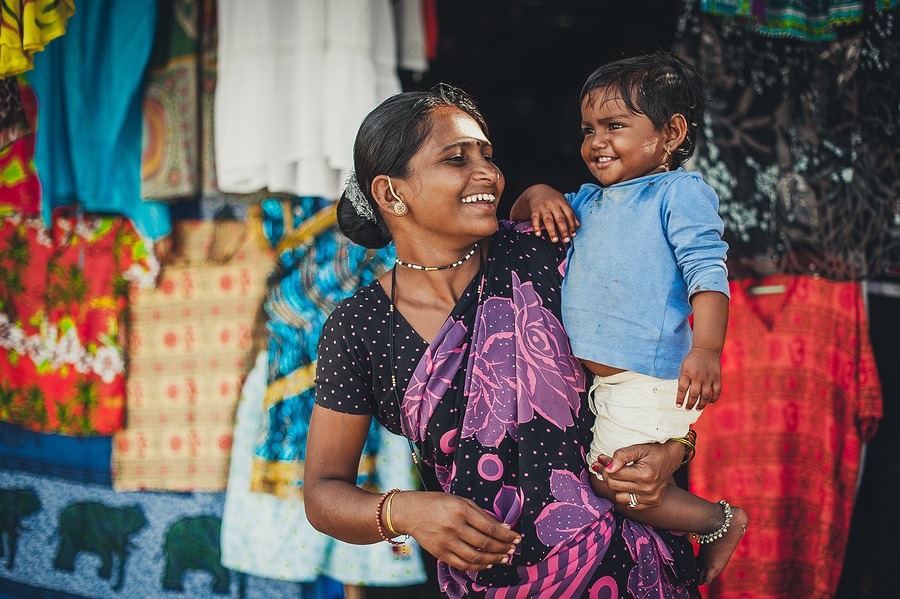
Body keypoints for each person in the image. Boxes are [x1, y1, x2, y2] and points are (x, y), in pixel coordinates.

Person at [304, 83, 703, 598]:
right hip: (489, 585)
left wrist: (674, 448)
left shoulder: (554, 257)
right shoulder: (359, 327)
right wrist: (403, 511)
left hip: (625, 569)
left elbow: (659, 371)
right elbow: (322, 493)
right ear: (390, 193)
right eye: (456, 159)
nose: (488, 174)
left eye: (487, 155)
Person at [509, 51, 749, 586]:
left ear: (671, 133)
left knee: (617, 488)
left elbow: (707, 274)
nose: (596, 141)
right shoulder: (591, 200)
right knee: (621, 482)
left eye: (614, 126)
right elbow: (522, 212)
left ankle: (719, 521)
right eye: (587, 129)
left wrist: (706, 350)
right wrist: (540, 193)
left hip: (649, 376)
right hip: (610, 385)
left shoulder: (678, 193)